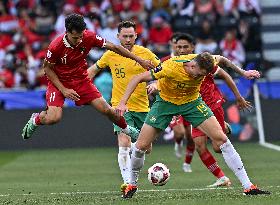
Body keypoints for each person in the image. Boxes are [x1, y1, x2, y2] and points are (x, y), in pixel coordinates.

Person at [116, 52, 270, 198]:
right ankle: (131, 184)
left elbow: (222, 59)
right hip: (165, 103)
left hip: (192, 102)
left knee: (222, 139)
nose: (200, 77)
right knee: (141, 146)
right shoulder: (170, 67)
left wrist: (243, 72)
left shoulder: (207, 61)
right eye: (200, 73)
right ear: (193, 66)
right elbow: (137, 78)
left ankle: (248, 186)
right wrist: (123, 103)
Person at [21, 13, 155, 140]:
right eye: (75, 38)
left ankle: (127, 129)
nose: (79, 40)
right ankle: (36, 119)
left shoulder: (88, 36)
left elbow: (114, 47)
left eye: (81, 36)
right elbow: (47, 69)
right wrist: (63, 90)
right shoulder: (56, 46)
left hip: (81, 80)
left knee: (107, 109)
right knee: (53, 118)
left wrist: (140, 60)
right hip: (59, 82)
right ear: (66, 32)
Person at [87, 21, 160, 196]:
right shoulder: (111, 54)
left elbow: (163, 71)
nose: (127, 39)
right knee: (124, 141)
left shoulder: (145, 54)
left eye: (131, 36)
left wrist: (156, 83)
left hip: (142, 107)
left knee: (145, 148)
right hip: (120, 107)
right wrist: (77, 83)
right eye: (124, 36)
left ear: (136, 36)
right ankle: (128, 183)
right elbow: (93, 70)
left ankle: (131, 173)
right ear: (118, 37)